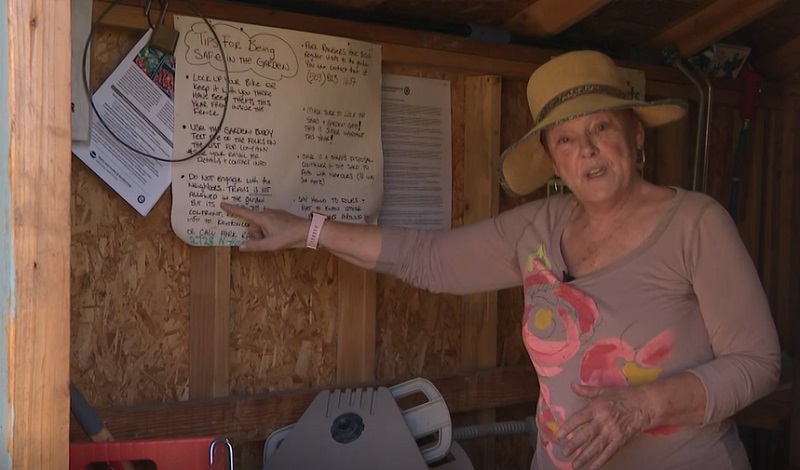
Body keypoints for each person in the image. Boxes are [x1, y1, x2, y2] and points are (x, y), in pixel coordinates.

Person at [221, 50, 781, 470]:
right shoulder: (536, 229)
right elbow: (427, 258)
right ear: (552, 161)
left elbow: (757, 363)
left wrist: (640, 407)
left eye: (601, 128)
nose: (585, 149)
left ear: (635, 136)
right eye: (566, 139)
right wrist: (307, 230)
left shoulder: (696, 224)